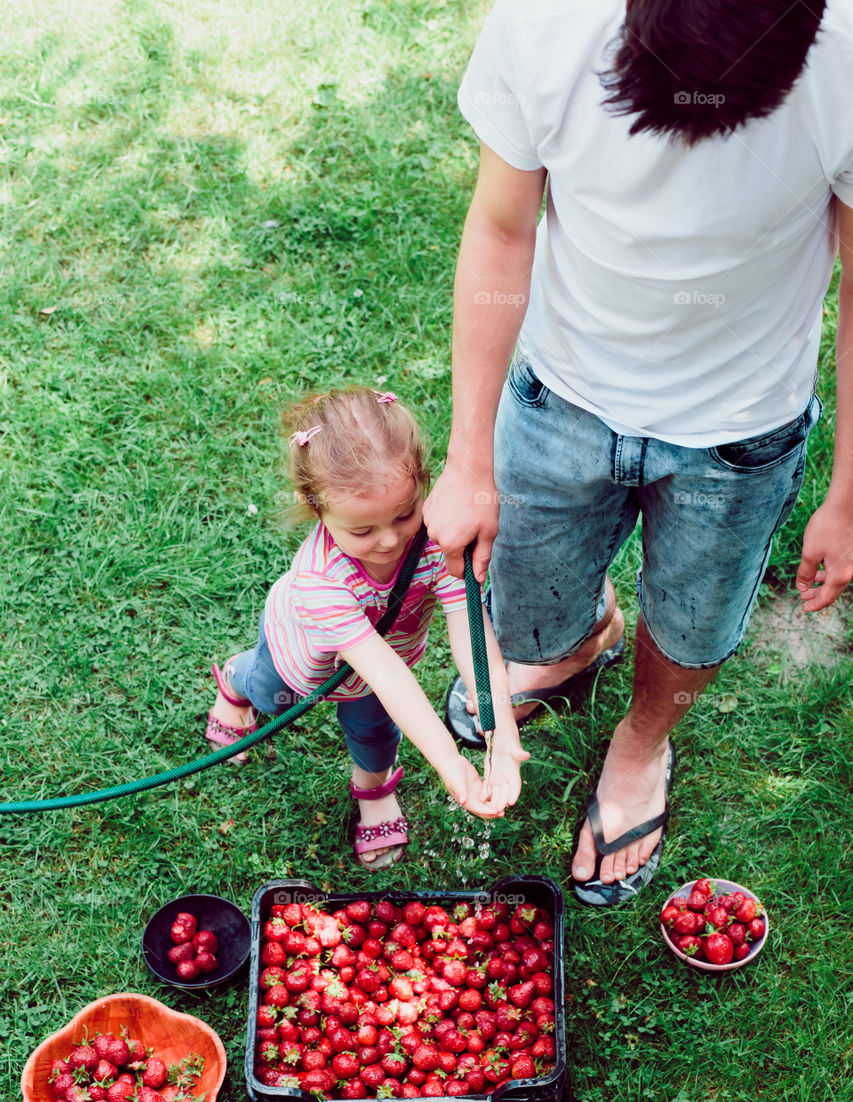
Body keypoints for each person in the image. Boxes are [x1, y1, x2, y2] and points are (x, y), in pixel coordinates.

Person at [424, 0, 853, 904]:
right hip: (559, 394)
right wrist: (467, 459)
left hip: (739, 432)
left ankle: (642, 742)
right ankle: (572, 648)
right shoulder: (544, 21)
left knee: (693, 627)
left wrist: (846, 492)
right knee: (525, 616)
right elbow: (503, 229)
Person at [207, 386, 528, 870]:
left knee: (376, 733)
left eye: (405, 514)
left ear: (422, 482)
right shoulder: (320, 582)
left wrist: (501, 729)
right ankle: (235, 683)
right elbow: (389, 675)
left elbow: (471, 633)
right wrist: (451, 763)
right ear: (315, 506)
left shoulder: (440, 539)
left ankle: (374, 790)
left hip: (372, 676)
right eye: (362, 530)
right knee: (267, 688)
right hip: (299, 656)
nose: (390, 540)